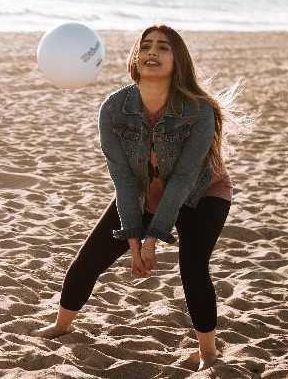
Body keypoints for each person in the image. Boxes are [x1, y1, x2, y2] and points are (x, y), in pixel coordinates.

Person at [32, 24, 240, 371]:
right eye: (145, 46)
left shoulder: (200, 110)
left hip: (202, 193)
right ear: (135, 56)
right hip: (144, 192)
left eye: (163, 47)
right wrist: (132, 239)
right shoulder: (114, 109)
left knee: (193, 266)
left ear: (179, 60)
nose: (152, 53)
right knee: (89, 259)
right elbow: (123, 179)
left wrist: (152, 240)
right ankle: (62, 324)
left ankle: (208, 352)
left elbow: (184, 178)